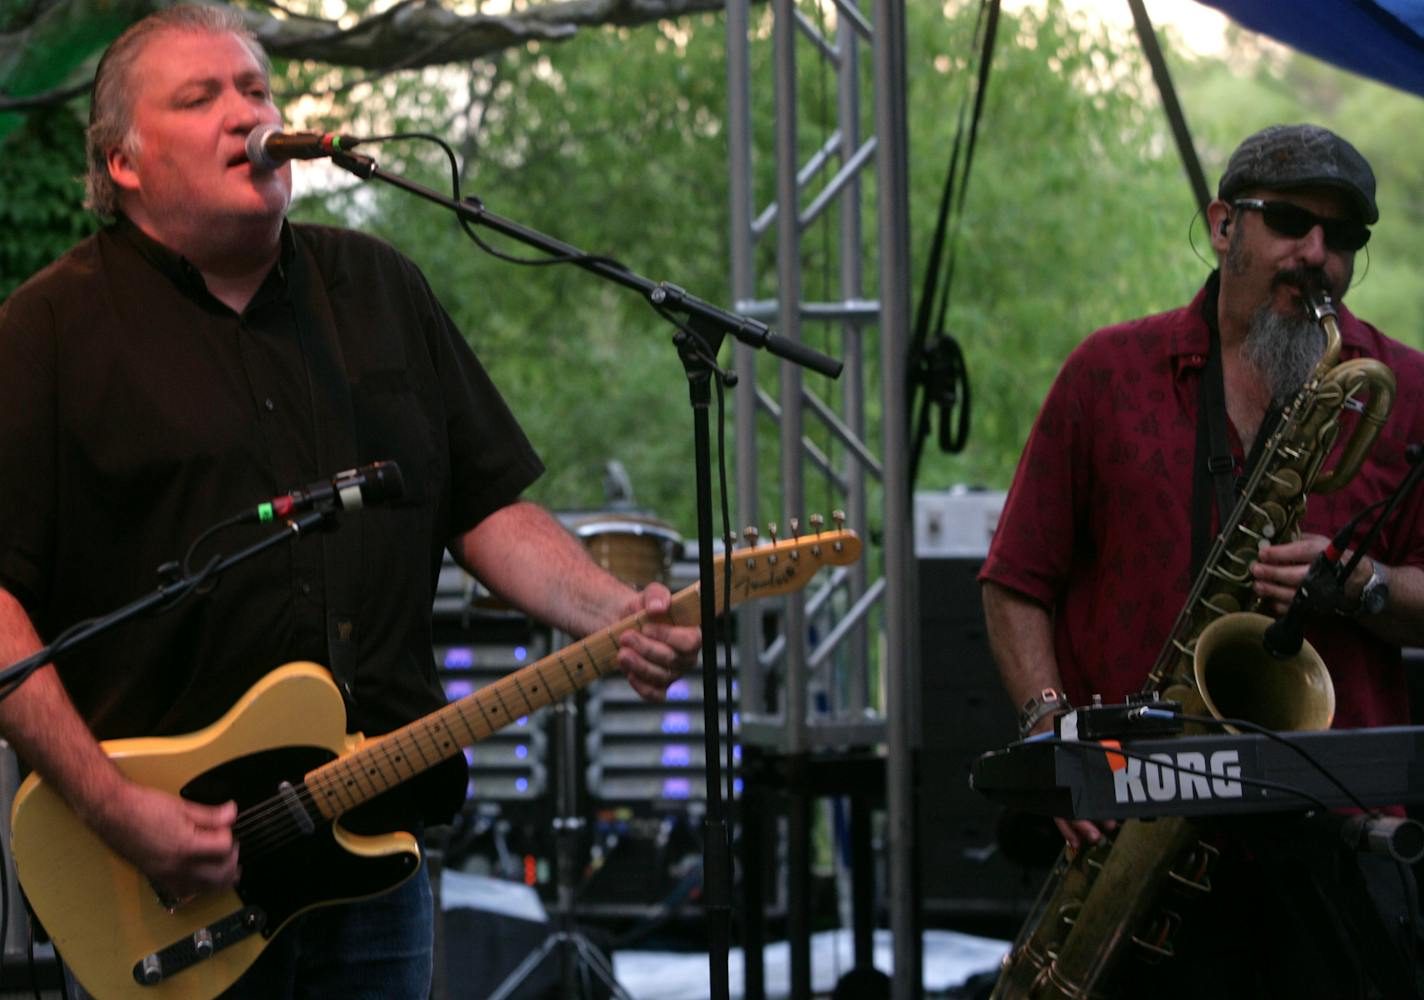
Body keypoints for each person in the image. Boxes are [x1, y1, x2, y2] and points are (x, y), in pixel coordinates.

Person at [0, 6, 700, 997]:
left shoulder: (378, 287)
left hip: (370, 851)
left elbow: (481, 501)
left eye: (255, 87)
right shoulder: (48, 330)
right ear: (124, 162)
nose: (246, 111)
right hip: (157, 878)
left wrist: (608, 613)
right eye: (201, 97)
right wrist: (115, 806)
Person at [980, 124, 1424, 998]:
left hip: (1336, 850)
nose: (1316, 254)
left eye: (1343, 238)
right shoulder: (1107, 373)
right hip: (1133, 842)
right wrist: (1050, 731)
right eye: (1291, 220)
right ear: (1224, 226)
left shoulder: (1402, 387)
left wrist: (1362, 585)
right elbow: (1015, 581)